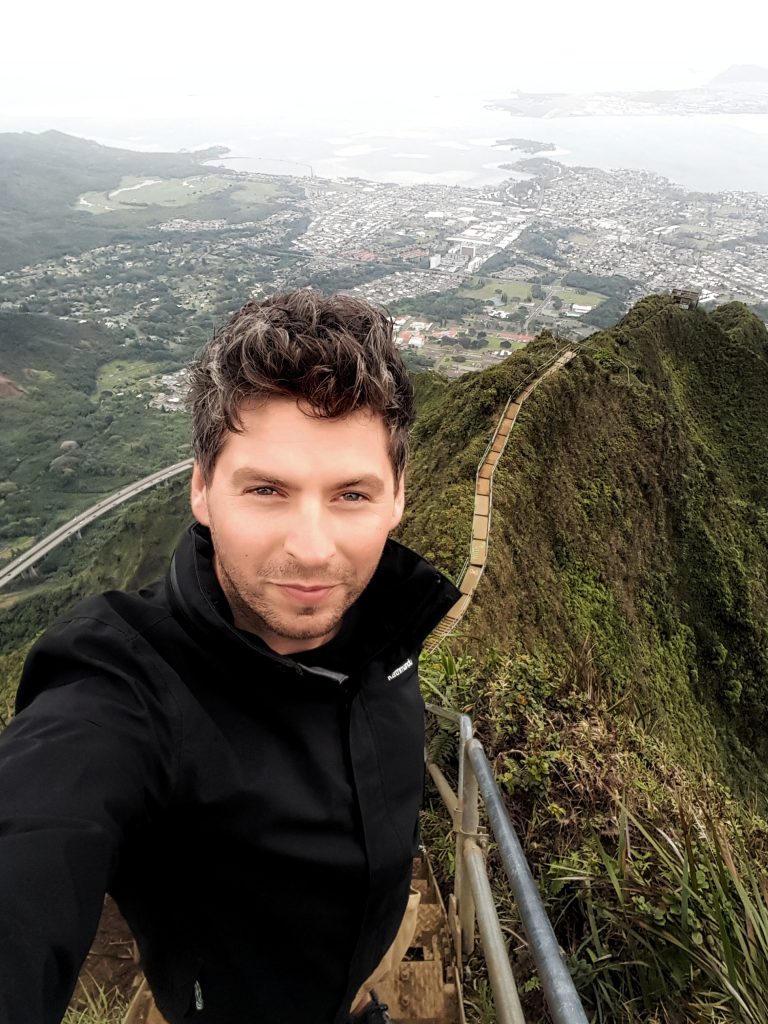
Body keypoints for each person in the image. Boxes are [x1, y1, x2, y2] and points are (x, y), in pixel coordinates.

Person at [0, 290, 460, 1024]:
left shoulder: (389, 627)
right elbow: (36, 827)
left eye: (351, 495)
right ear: (203, 490)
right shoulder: (126, 688)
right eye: (268, 490)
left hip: (358, 979)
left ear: (398, 498)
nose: (312, 549)